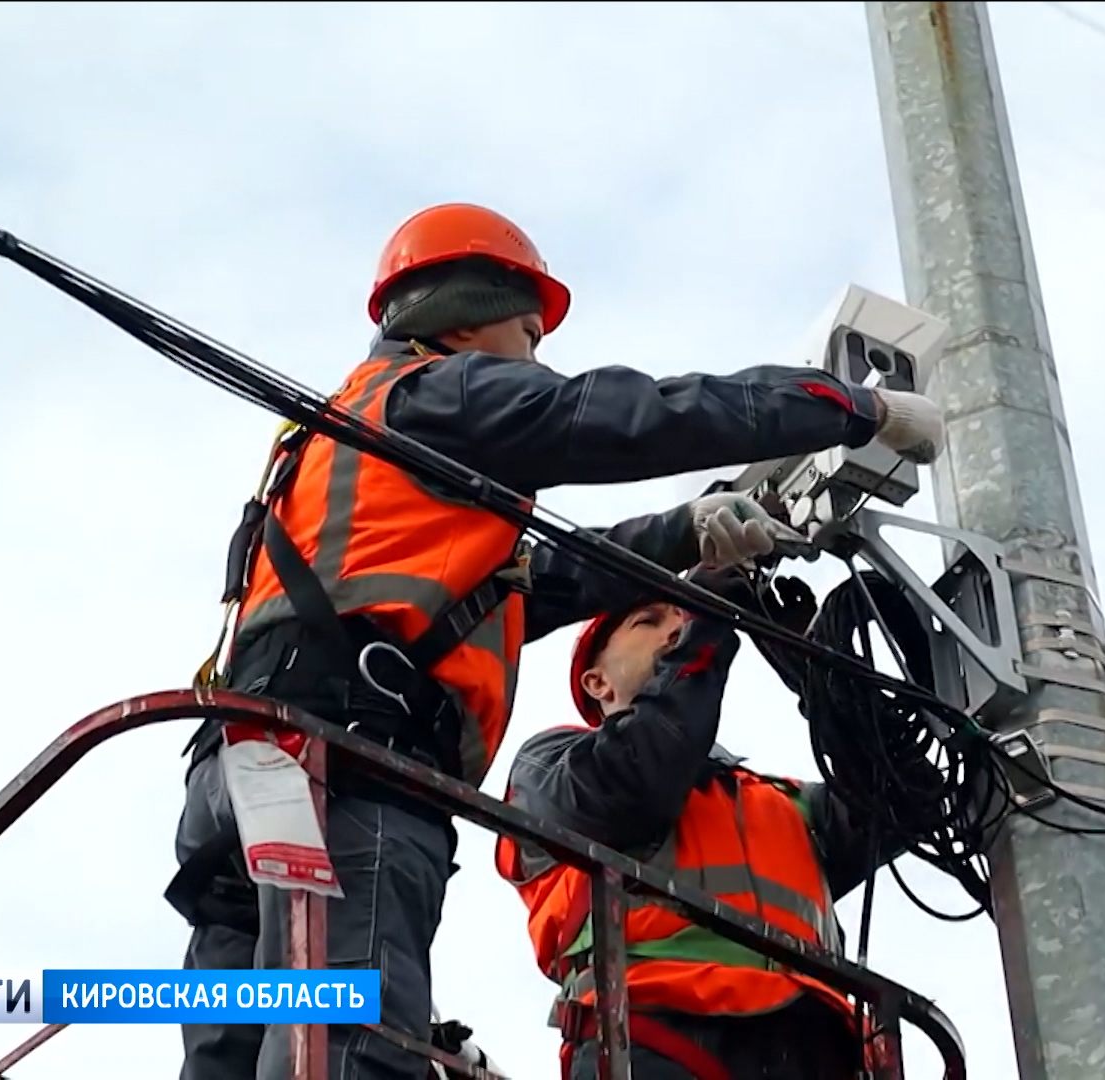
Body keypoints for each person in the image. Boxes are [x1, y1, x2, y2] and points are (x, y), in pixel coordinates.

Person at [166, 202, 946, 1080]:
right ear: (466, 314)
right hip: (345, 767)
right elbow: (624, 415)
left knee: (242, 1045)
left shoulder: (353, 452)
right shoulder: (441, 391)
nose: (536, 361)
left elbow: (547, 581)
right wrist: (851, 408)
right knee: (347, 1044)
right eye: (530, 334)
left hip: (240, 766)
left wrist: (685, 533)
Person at [494, 577, 903, 1080]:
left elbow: (902, 794)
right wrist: (707, 618)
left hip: (812, 1050)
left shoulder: (784, 803)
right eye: (649, 621)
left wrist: (814, 672)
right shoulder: (551, 765)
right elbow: (639, 779)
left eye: (682, 619)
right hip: (651, 1037)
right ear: (596, 683)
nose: (676, 629)